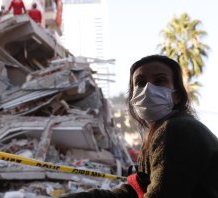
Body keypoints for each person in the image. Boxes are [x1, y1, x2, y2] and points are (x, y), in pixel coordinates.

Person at [60, 55, 218, 198]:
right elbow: (133, 191)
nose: (148, 89)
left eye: (159, 81)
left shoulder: (177, 129)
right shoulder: (158, 133)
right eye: (140, 83)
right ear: (133, 96)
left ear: (176, 96)